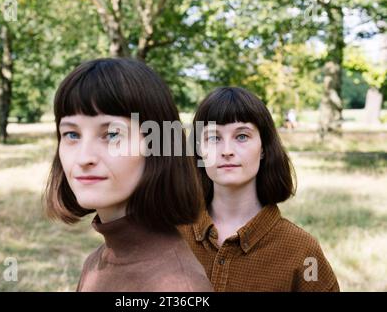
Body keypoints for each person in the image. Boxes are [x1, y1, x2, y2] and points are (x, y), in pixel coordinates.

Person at [44, 58, 212, 292]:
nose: (84, 158)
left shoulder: (176, 286)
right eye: (72, 134)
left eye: (112, 134)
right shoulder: (96, 262)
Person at [178, 87, 339, 291]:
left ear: (263, 147)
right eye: (214, 137)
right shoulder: (170, 236)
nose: (227, 151)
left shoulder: (301, 250)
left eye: (242, 136)